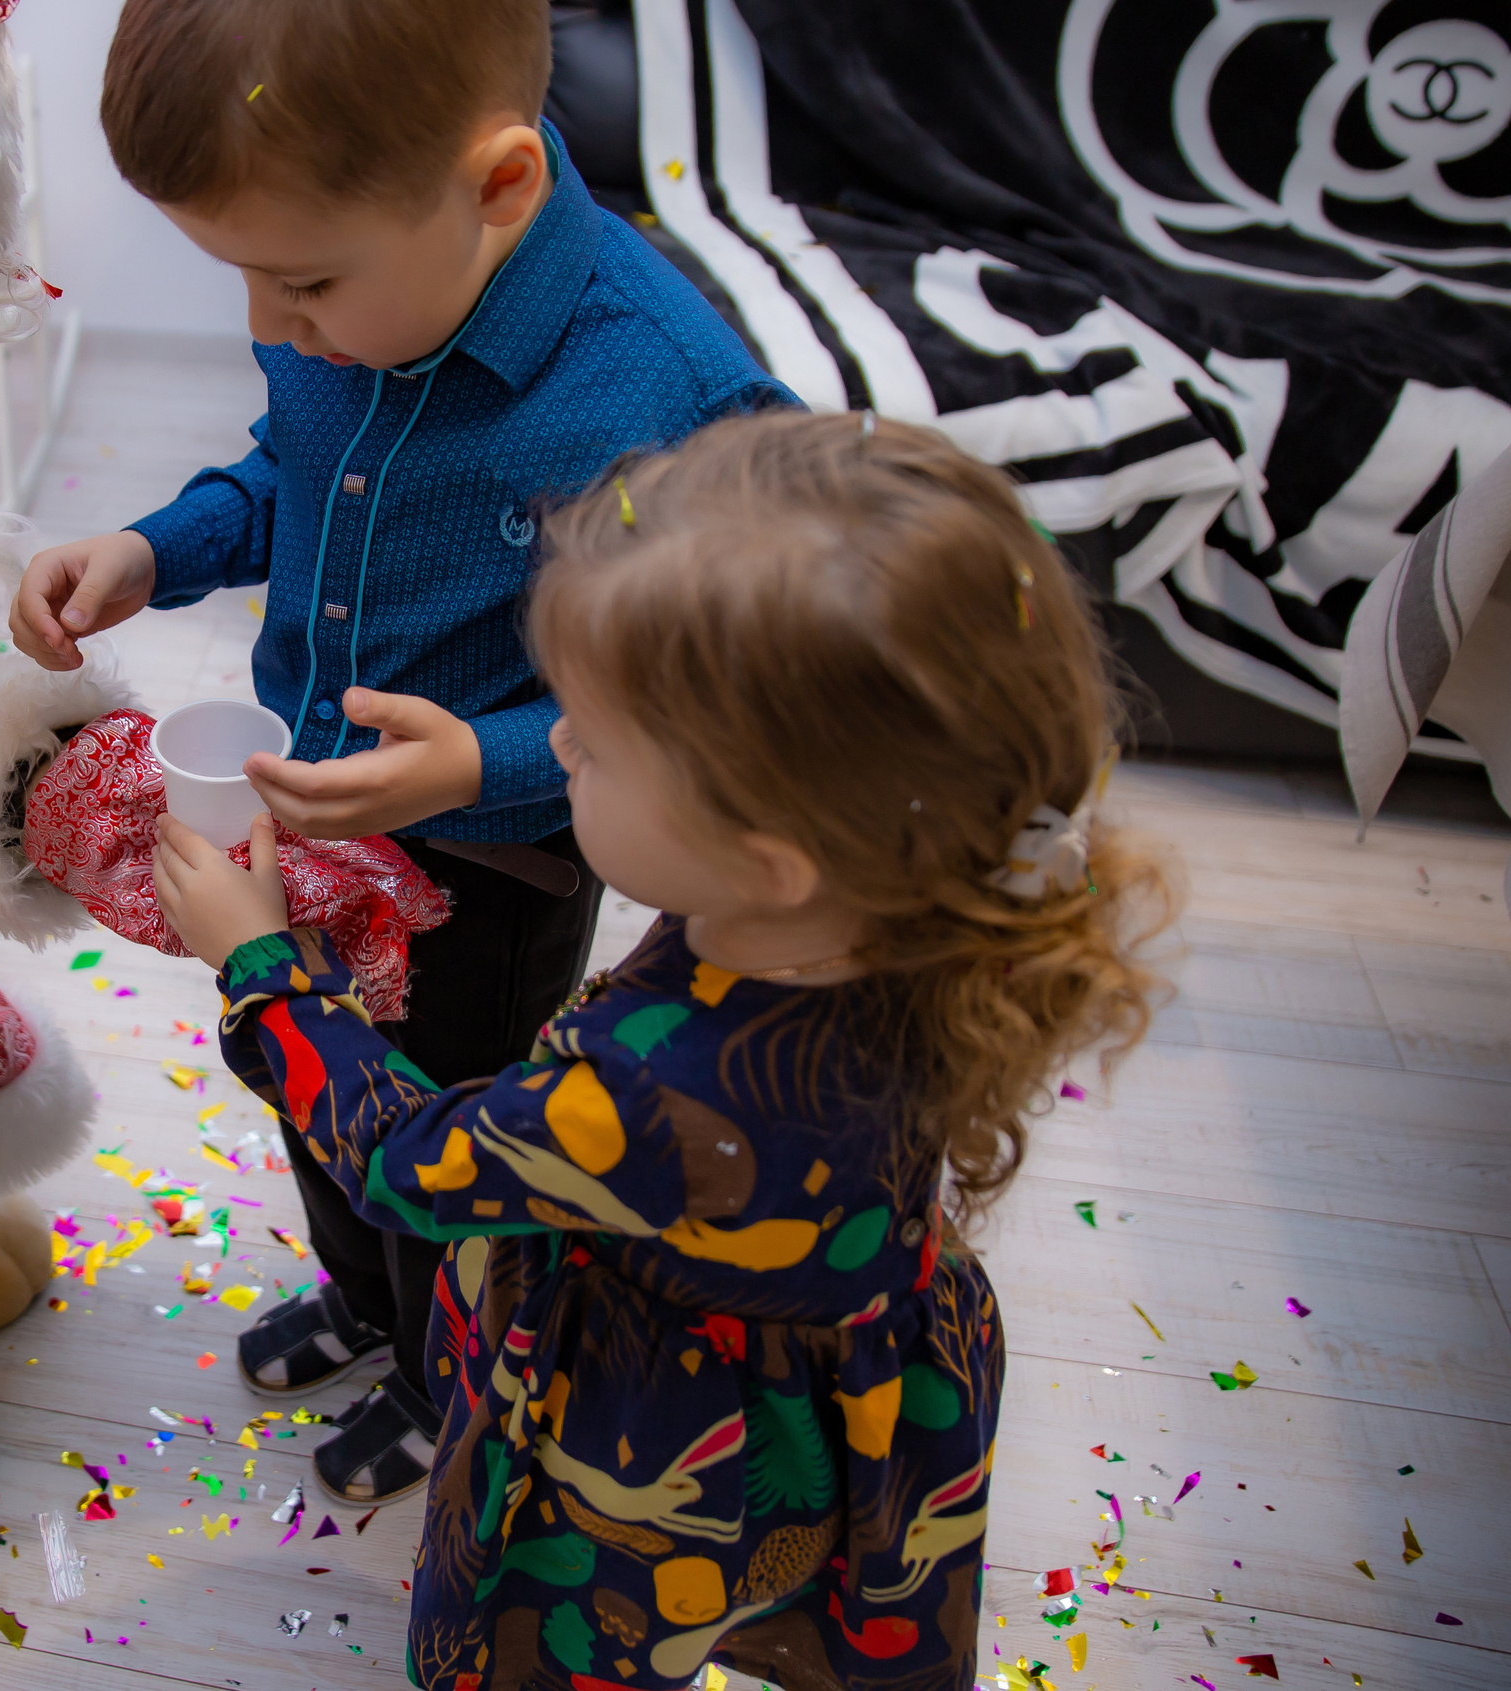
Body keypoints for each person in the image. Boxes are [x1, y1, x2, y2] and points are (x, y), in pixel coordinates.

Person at [149, 412, 1172, 1690]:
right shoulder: (932, 903)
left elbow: (410, 1166)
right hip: (858, 1387)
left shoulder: (650, 1086)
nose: (557, 744)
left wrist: (261, 968)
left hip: (655, 1452)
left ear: (769, 855)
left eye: (590, 734)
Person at [9, 0, 793, 1503]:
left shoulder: (667, 399)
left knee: (435, 1142)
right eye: (237, 275)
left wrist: (477, 764)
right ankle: (372, 1300)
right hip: (311, 814)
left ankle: (453, 1373)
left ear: (498, 187)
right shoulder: (358, 282)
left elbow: (713, 710)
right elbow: (293, 472)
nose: (265, 326)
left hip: (497, 863)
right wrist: (155, 550)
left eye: (298, 283)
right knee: (309, 1077)